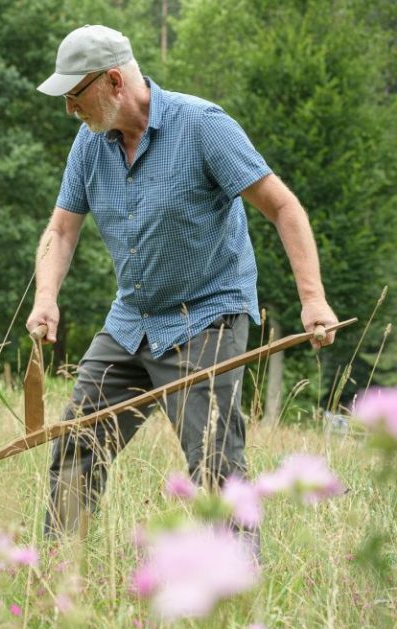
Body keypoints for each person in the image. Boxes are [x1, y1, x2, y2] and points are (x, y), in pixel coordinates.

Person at [25, 25, 339, 542]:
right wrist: (46, 298)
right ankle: (59, 575)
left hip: (207, 317)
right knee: (79, 441)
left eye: (75, 95)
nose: (70, 110)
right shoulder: (89, 144)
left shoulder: (202, 126)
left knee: (214, 462)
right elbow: (61, 231)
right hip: (133, 320)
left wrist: (313, 300)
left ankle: (236, 590)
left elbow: (283, 207)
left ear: (112, 81)